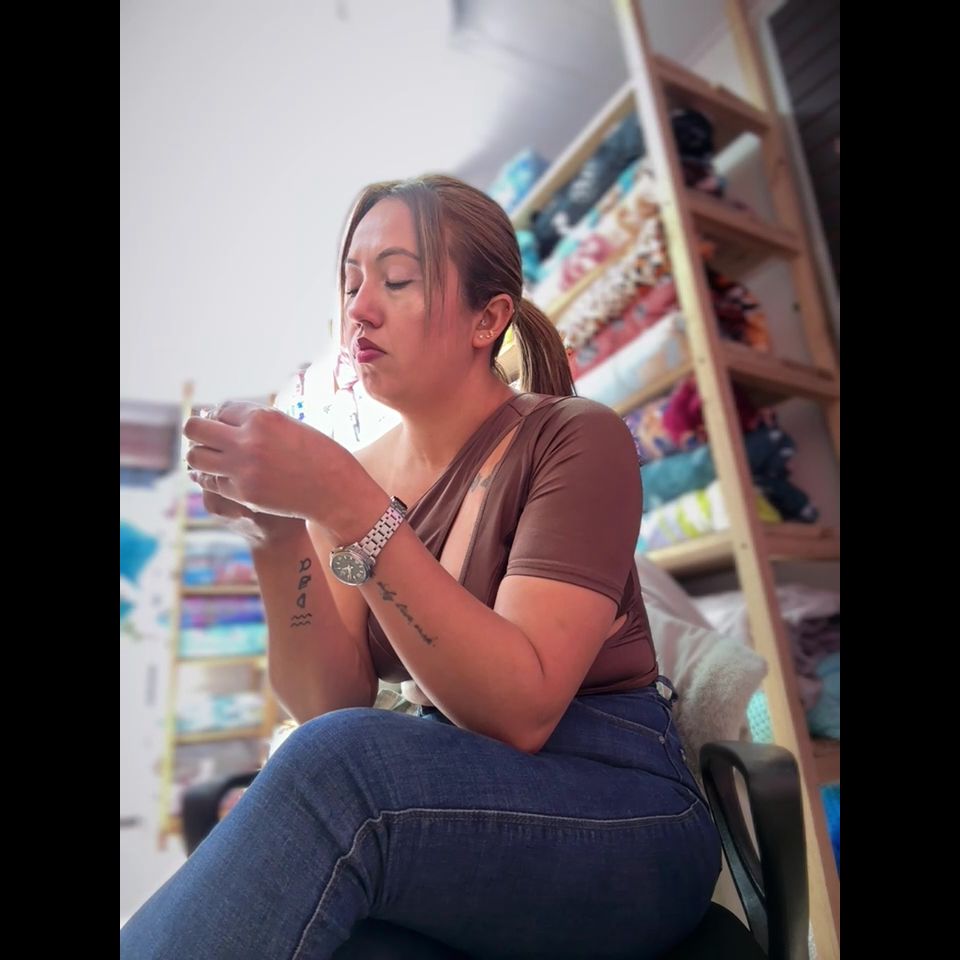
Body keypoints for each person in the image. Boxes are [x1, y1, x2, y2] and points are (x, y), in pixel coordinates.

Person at [120, 174, 721, 959]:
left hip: (622, 807)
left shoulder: (577, 438)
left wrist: (352, 508)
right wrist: (276, 535)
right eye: (351, 284)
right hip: (463, 805)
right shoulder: (358, 474)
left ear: (487, 319)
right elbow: (329, 702)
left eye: (397, 280)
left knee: (340, 770)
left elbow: (520, 713)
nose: (360, 309)